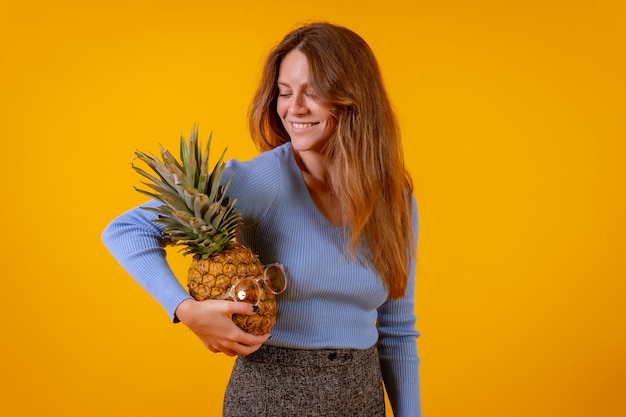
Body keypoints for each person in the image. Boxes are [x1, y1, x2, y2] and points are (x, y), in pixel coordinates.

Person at [102, 22, 421, 417]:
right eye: (285, 93)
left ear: (355, 99)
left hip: (363, 399)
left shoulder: (394, 198)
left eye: (314, 92)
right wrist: (186, 310)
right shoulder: (260, 180)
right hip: (270, 398)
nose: (294, 108)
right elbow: (128, 230)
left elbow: (397, 331)